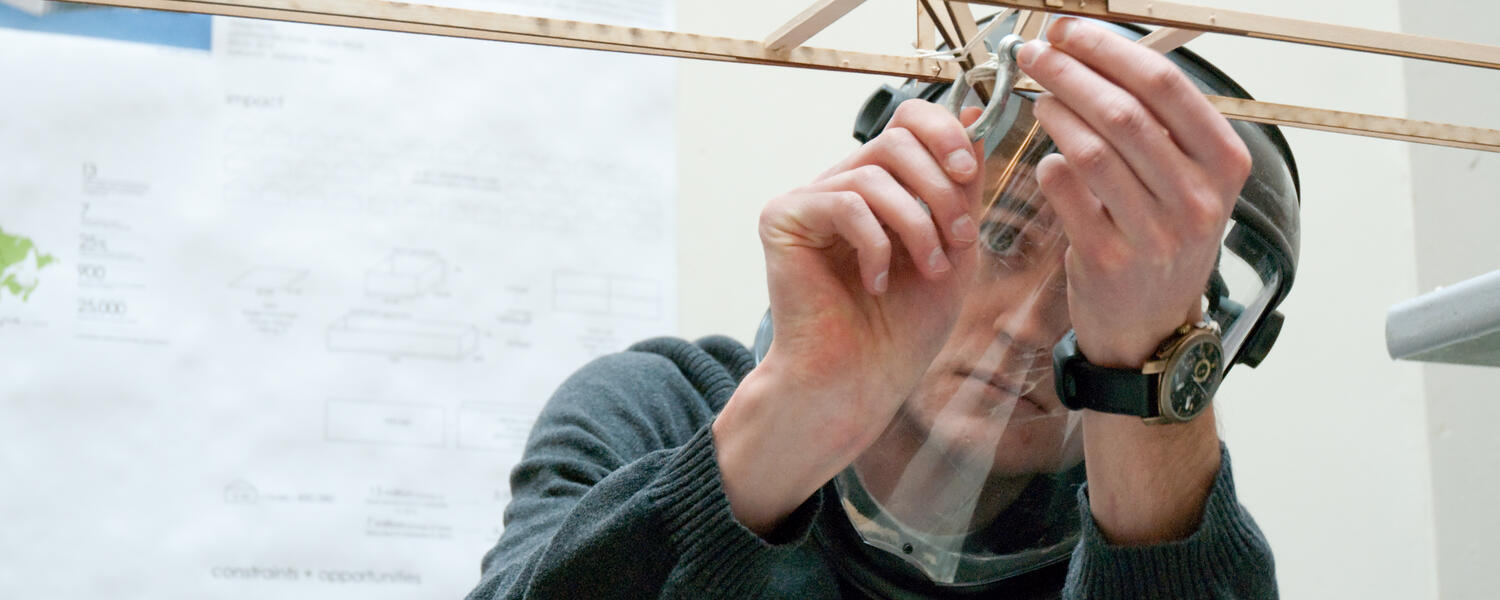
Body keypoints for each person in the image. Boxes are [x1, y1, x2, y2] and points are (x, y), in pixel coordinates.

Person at [468, 16, 1300, 599]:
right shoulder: (653, 409)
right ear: (898, 189)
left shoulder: (1145, 513)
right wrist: (803, 407)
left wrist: (1142, 380)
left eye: (1103, 285)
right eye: (1002, 242)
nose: (1026, 331)